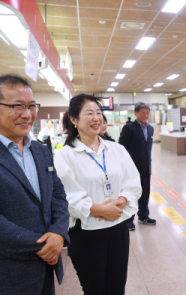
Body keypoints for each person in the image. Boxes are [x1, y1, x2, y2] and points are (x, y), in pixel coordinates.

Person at [0, 74, 70, 295]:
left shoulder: (40, 151)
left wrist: (59, 232)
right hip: (2, 275)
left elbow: (58, 196)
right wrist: (48, 245)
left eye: (31, 106)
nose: (27, 114)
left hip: (44, 270)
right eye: (17, 106)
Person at [54, 94, 142, 295]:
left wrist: (121, 200)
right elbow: (66, 196)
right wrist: (100, 209)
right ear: (73, 119)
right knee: (94, 288)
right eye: (89, 113)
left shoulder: (116, 149)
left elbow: (133, 182)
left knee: (117, 287)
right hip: (86, 233)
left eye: (99, 113)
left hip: (118, 229)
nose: (96, 118)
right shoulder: (65, 156)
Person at [119, 102, 156, 231]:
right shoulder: (129, 128)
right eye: (142, 113)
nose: (145, 115)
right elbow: (121, 148)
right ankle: (129, 219)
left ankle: (143, 216)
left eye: (147, 113)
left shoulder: (150, 128)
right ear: (136, 113)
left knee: (145, 193)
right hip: (132, 169)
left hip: (146, 168)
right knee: (131, 194)